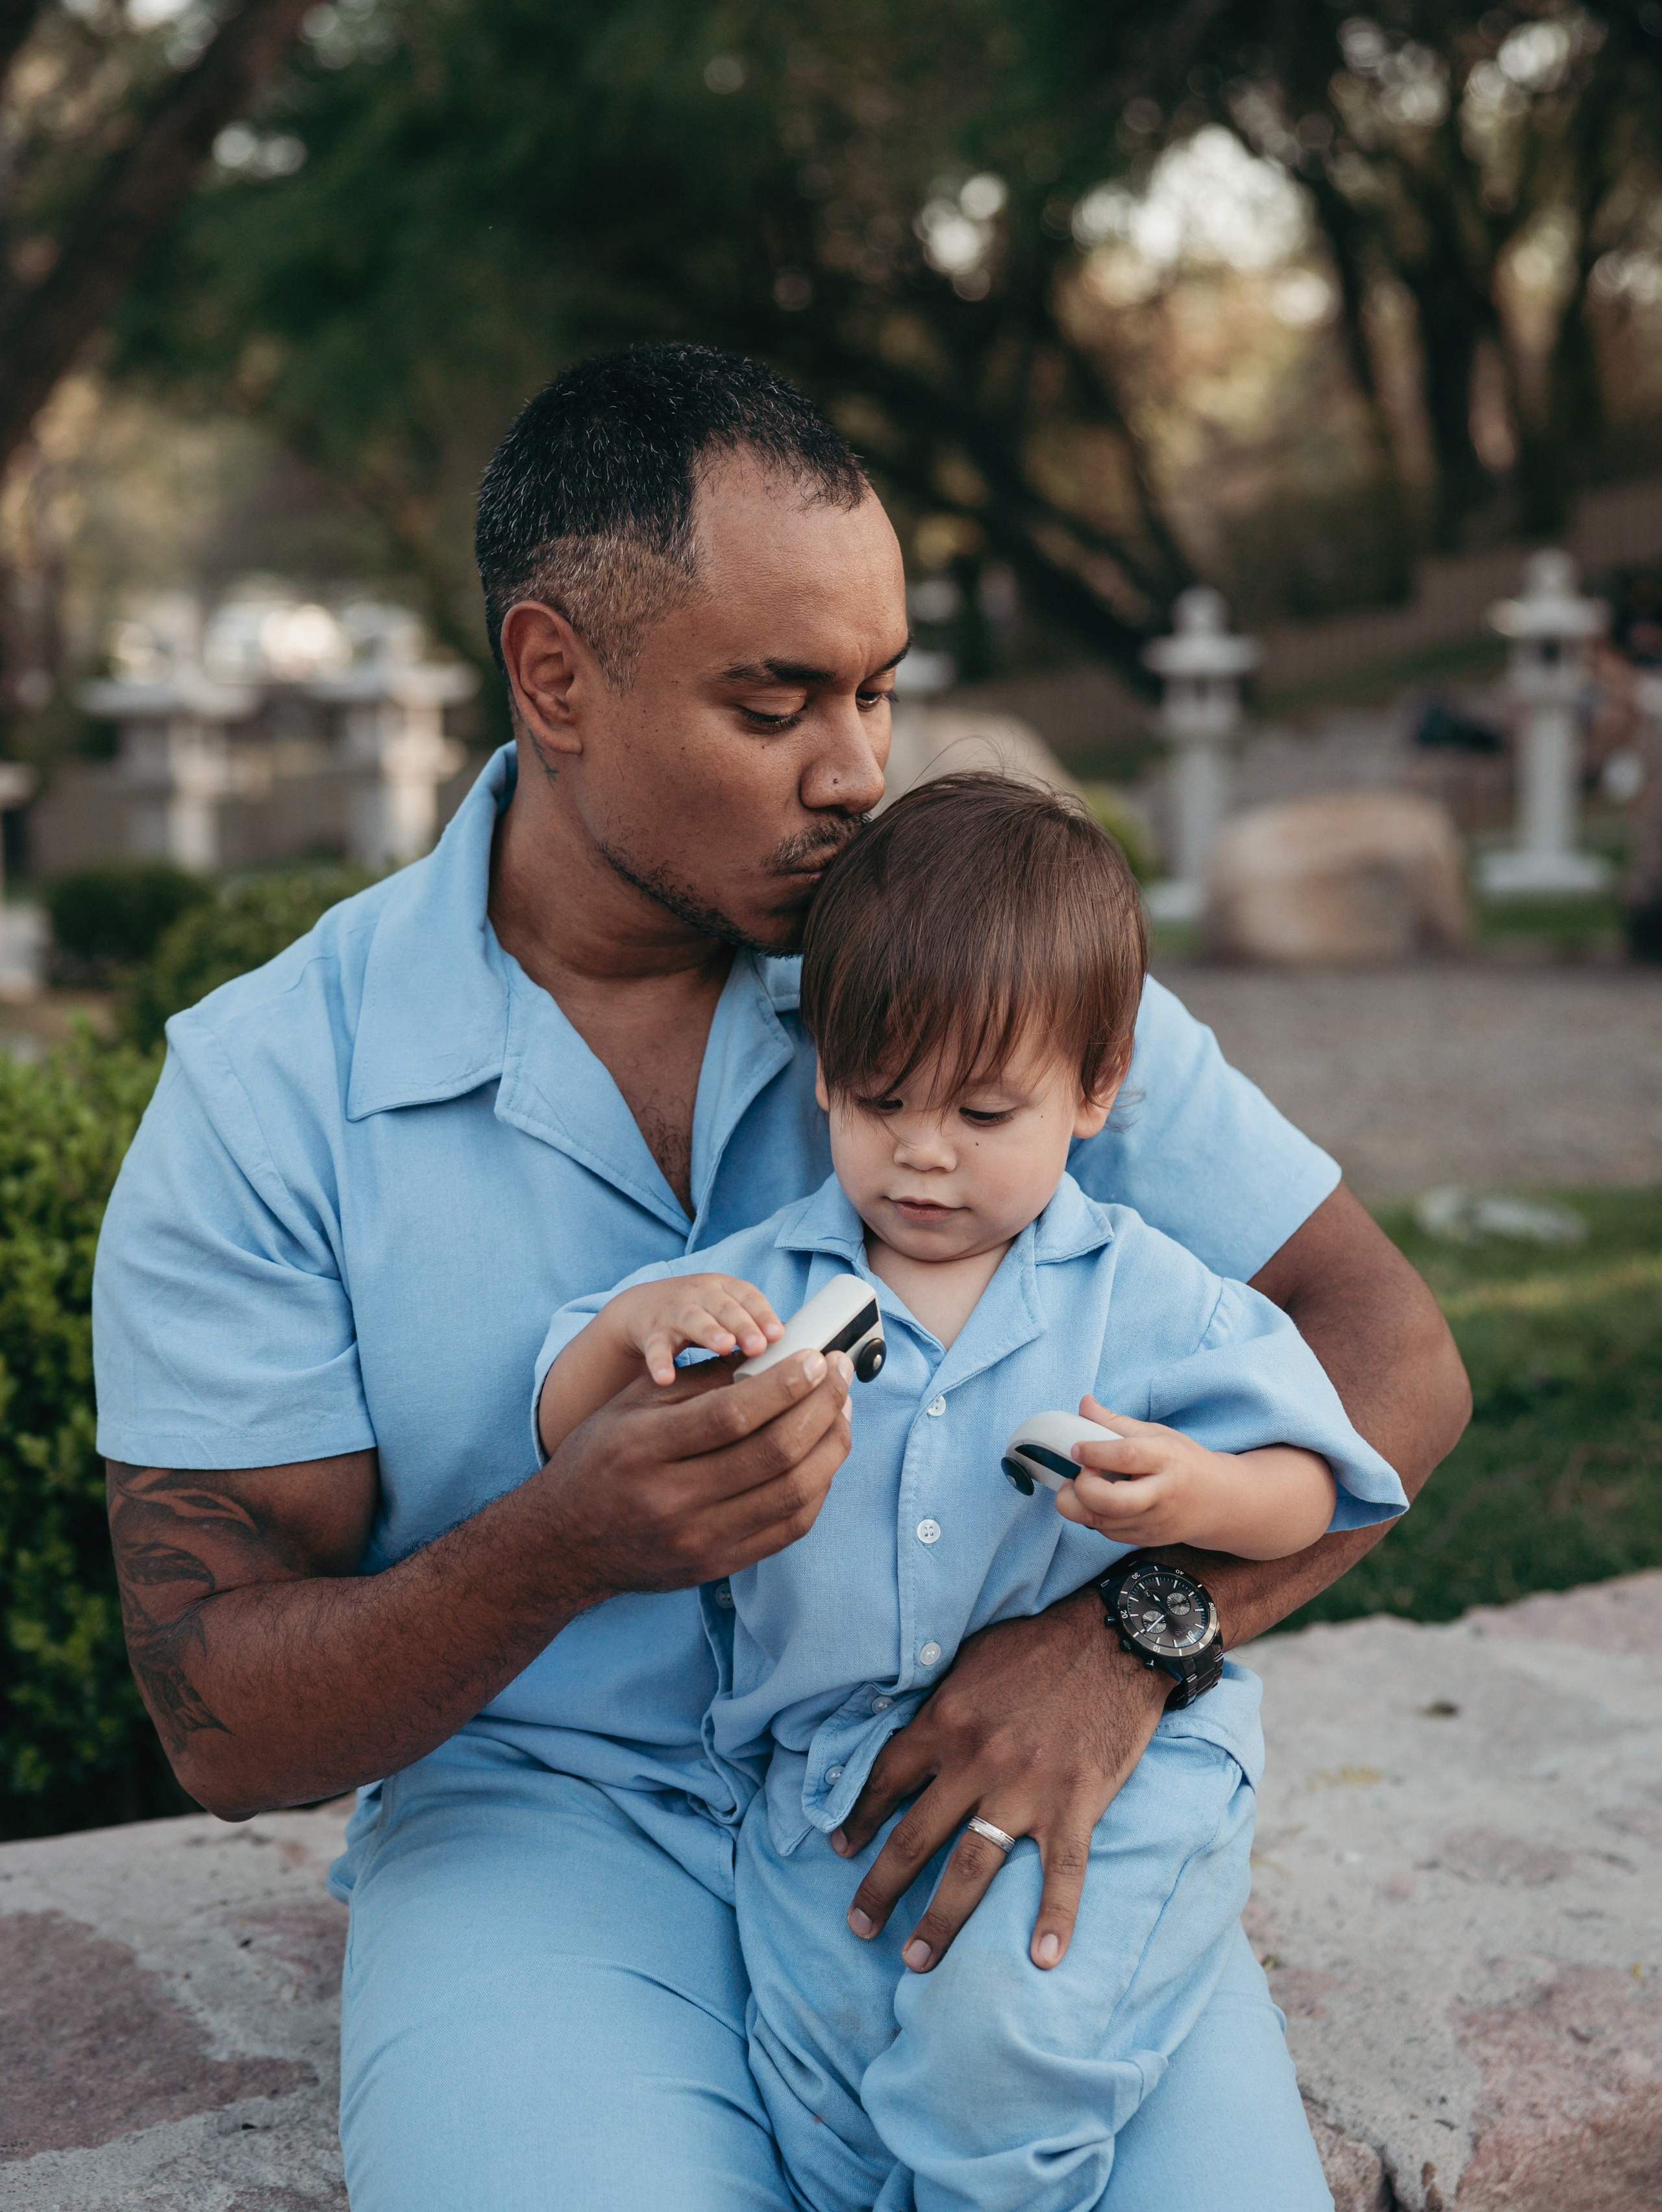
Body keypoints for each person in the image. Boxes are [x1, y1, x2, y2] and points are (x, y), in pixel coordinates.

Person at [93, 344, 1469, 2210]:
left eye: (881, 691)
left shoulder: (979, 973)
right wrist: (563, 1542)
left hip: (989, 1795)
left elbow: (1388, 1349)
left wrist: (1128, 1643)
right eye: (779, 703)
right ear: (554, 677)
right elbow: (217, 1707)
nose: (860, 773)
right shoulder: (269, 1093)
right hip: (551, 1834)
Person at [532, 774, 1409, 2211]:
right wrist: (625, 1343)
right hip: (822, 1797)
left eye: (983, 1110)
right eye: (879, 1102)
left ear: (1096, 1087)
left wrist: (1199, 1486)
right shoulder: (766, 1285)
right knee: (825, 2118)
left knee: (998, 2067)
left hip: (1116, 1787)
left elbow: (1315, 1489)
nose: (923, 1152)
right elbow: (565, 1395)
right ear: (820, 1071)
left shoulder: (1141, 1291)